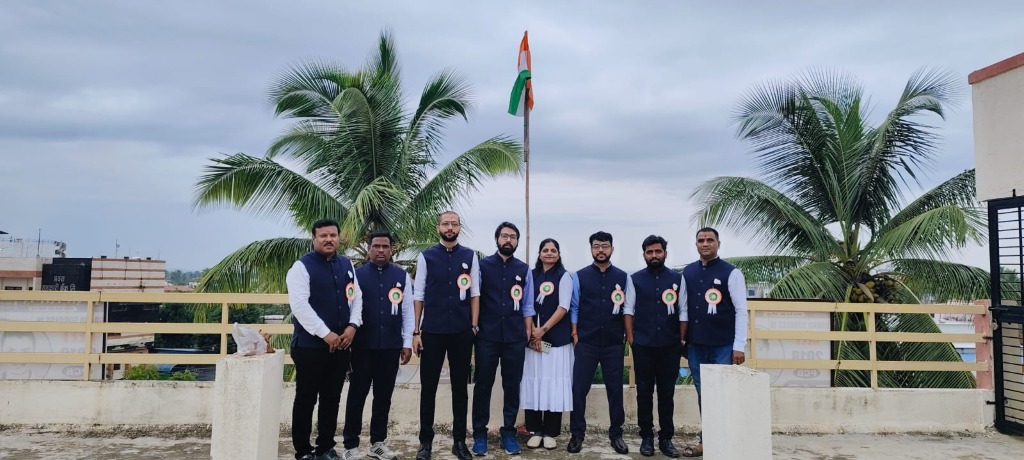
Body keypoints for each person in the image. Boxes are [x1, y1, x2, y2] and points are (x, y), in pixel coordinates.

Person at [286, 219, 364, 460]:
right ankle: (303, 451)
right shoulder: (301, 267)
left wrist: (352, 326)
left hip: (341, 345)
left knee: (332, 398)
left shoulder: (346, 264)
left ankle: (325, 447)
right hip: (310, 347)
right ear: (314, 238)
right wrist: (325, 333)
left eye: (333, 235)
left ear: (339, 238)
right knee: (306, 399)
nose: (329, 239)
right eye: (323, 236)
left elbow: (356, 298)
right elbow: (300, 306)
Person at [412, 211, 480, 460]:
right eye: (445, 223)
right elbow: (418, 295)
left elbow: (475, 294)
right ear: (438, 226)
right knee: (428, 388)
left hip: (462, 332)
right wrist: (416, 331)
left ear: (460, 227)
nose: (449, 227)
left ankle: (459, 441)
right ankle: (425, 442)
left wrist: (473, 326)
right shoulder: (426, 256)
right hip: (432, 331)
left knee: (460, 389)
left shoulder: (470, 256)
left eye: (454, 223)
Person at [341, 231, 414, 460]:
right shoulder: (356, 274)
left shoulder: (402, 276)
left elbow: (407, 312)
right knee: (357, 395)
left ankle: (377, 443)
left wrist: (407, 342)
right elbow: (348, 308)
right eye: (376, 246)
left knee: (383, 397)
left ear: (391, 249)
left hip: (390, 346)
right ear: (369, 248)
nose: (381, 250)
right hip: (362, 346)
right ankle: (351, 445)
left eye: (385, 246)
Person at [679, 227, 748, 458]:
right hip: (696, 346)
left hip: (723, 346)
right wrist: (683, 341)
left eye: (710, 240)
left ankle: (724, 439)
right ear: (696, 244)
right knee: (704, 395)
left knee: (723, 394)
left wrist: (739, 345)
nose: (705, 244)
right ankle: (707, 440)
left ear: (719, 243)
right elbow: (684, 310)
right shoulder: (687, 272)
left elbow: (741, 310)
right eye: (701, 240)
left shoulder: (732, 273)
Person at [471, 222, 536, 456]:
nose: (508, 240)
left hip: (515, 337)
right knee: (483, 385)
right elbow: (474, 297)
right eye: (504, 236)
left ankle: (508, 433)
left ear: (517, 241)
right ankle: (479, 434)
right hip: (487, 336)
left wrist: (527, 332)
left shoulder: (524, 269)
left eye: (513, 237)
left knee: (512, 386)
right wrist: (475, 326)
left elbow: (528, 304)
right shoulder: (483, 265)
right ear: (497, 239)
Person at [567, 231, 632, 455]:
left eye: (605, 246)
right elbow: (574, 306)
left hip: (614, 343)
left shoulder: (624, 277)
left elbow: (627, 310)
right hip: (586, 341)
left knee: (615, 390)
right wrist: (575, 334)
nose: (601, 250)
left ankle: (616, 434)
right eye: (596, 246)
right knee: (579, 389)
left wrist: (625, 335)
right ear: (591, 249)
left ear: (612, 249)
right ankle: (577, 434)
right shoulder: (580, 276)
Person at [624, 235, 684, 458]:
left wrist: (681, 340)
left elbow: (683, 311)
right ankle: (646, 437)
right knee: (644, 393)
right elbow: (628, 309)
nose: (654, 256)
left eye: (658, 251)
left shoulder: (678, 279)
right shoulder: (635, 279)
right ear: (644, 255)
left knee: (667, 394)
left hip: (670, 346)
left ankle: (666, 438)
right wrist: (632, 339)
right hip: (643, 345)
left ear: (665, 253)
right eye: (650, 252)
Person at [520, 238, 574, 451]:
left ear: (559, 254)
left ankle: (551, 431)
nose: (549, 253)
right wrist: (532, 331)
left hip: (556, 341)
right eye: (545, 250)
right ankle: (534, 430)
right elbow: (525, 304)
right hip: (532, 341)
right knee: (534, 382)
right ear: (539, 253)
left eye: (553, 250)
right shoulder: (531, 276)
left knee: (553, 384)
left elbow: (563, 307)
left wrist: (543, 330)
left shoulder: (564, 276)